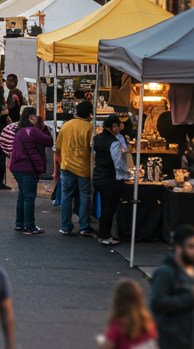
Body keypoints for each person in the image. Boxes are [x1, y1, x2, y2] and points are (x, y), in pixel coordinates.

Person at [7, 107, 56, 235]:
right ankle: (29, 226)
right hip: (27, 168)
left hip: (16, 166)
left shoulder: (20, 130)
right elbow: (49, 141)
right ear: (30, 117)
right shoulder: (32, 131)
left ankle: (19, 224)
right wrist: (44, 128)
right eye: (35, 116)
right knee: (29, 197)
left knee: (22, 196)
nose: (36, 118)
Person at [55, 101, 96, 237]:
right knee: (85, 195)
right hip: (83, 167)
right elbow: (93, 149)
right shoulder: (89, 127)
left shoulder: (66, 126)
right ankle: (84, 226)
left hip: (66, 165)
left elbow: (58, 147)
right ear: (89, 113)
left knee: (66, 195)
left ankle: (66, 226)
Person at [93, 116, 133, 245]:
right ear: (113, 126)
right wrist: (128, 173)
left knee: (104, 207)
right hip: (110, 179)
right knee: (108, 208)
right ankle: (105, 236)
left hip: (98, 176)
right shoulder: (114, 142)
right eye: (118, 125)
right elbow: (118, 163)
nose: (119, 128)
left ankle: (103, 234)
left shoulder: (97, 138)